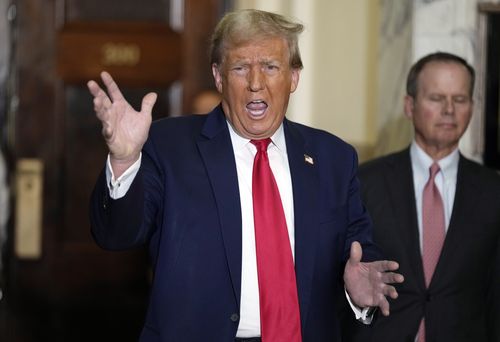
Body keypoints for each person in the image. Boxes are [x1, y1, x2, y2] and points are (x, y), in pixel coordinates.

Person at [87, 9, 403, 342]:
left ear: (293, 77)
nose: (255, 83)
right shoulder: (169, 146)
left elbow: (358, 253)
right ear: (219, 77)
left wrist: (357, 291)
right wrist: (123, 160)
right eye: (240, 68)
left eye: (270, 67)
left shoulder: (333, 158)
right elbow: (116, 235)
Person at [344, 52, 500, 341]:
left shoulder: (493, 192)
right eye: (437, 98)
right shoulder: (364, 182)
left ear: (473, 107)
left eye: (460, 99)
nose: (449, 110)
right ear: (409, 105)